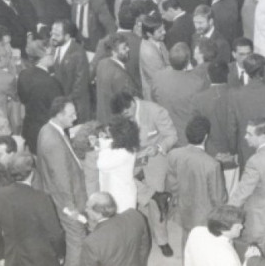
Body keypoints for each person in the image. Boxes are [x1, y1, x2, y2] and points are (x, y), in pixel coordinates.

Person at [111, 92, 178, 256]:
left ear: (132, 104)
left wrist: (158, 148)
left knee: (156, 195)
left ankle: (162, 239)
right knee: (122, 184)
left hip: (154, 156)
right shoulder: (122, 112)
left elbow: (172, 136)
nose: (125, 117)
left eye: (126, 113)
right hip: (132, 156)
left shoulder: (155, 111)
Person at [33, 97, 87, 266]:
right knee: (77, 240)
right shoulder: (53, 141)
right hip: (67, 202)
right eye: (71, 114)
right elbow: (61, 178)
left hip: (57, 196)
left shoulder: (47, 129)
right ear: (58, 115)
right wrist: (72, 209)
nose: (75, 117)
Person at [0, 154, 65, 266]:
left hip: (12, 258)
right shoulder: (41, 198)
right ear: (32, 173)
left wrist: (0, 256)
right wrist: (60, 254)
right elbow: (55, 234)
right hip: (42, 259)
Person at [166, 116, 227, 233]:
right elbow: (218, 199)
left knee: (186, 240)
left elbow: (172, 184)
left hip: (183, 210)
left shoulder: (173, 154)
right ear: (205, 136)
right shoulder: (213, 164)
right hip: (203, 218)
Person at [80, 192, 151, 266]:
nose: (86, 210)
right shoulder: (135, 215)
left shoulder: (91, 242)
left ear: (98, 213)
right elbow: (145, 248)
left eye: (88, 207)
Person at [17, 41, 62, 153]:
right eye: (50, 54)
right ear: (41, 57)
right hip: (46, 132)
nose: (53, 56)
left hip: (29, 129)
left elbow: (23, 99)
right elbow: (58, 109)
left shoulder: (23, 74)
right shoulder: (51, 82)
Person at [184, 204, 256, 266]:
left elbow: (188, 259)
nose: (242, 227)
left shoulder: (196, 231)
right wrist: (248, 260)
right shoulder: (227, 255)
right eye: (237, 226)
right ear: (224, 228)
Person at [94, 34, 137, 124]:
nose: (128, 49)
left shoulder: (102, 64)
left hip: (103, 118)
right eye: (124, 48)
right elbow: (126, 105)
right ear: (114, 52)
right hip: (118, 122)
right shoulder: (119, 75)